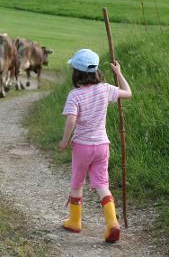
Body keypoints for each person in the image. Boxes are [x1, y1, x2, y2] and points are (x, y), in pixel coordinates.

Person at [59, 49, 132, 243]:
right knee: (102, 185)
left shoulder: (75, 95)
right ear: (96, 71)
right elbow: (128, 93)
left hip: (82, 146)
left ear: (76, 72)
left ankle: (75, 221)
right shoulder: (106, 89)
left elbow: (71, 120)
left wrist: (65, 140)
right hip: (102, 146)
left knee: (77, 183)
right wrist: (118, 74)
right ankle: (112, 223)